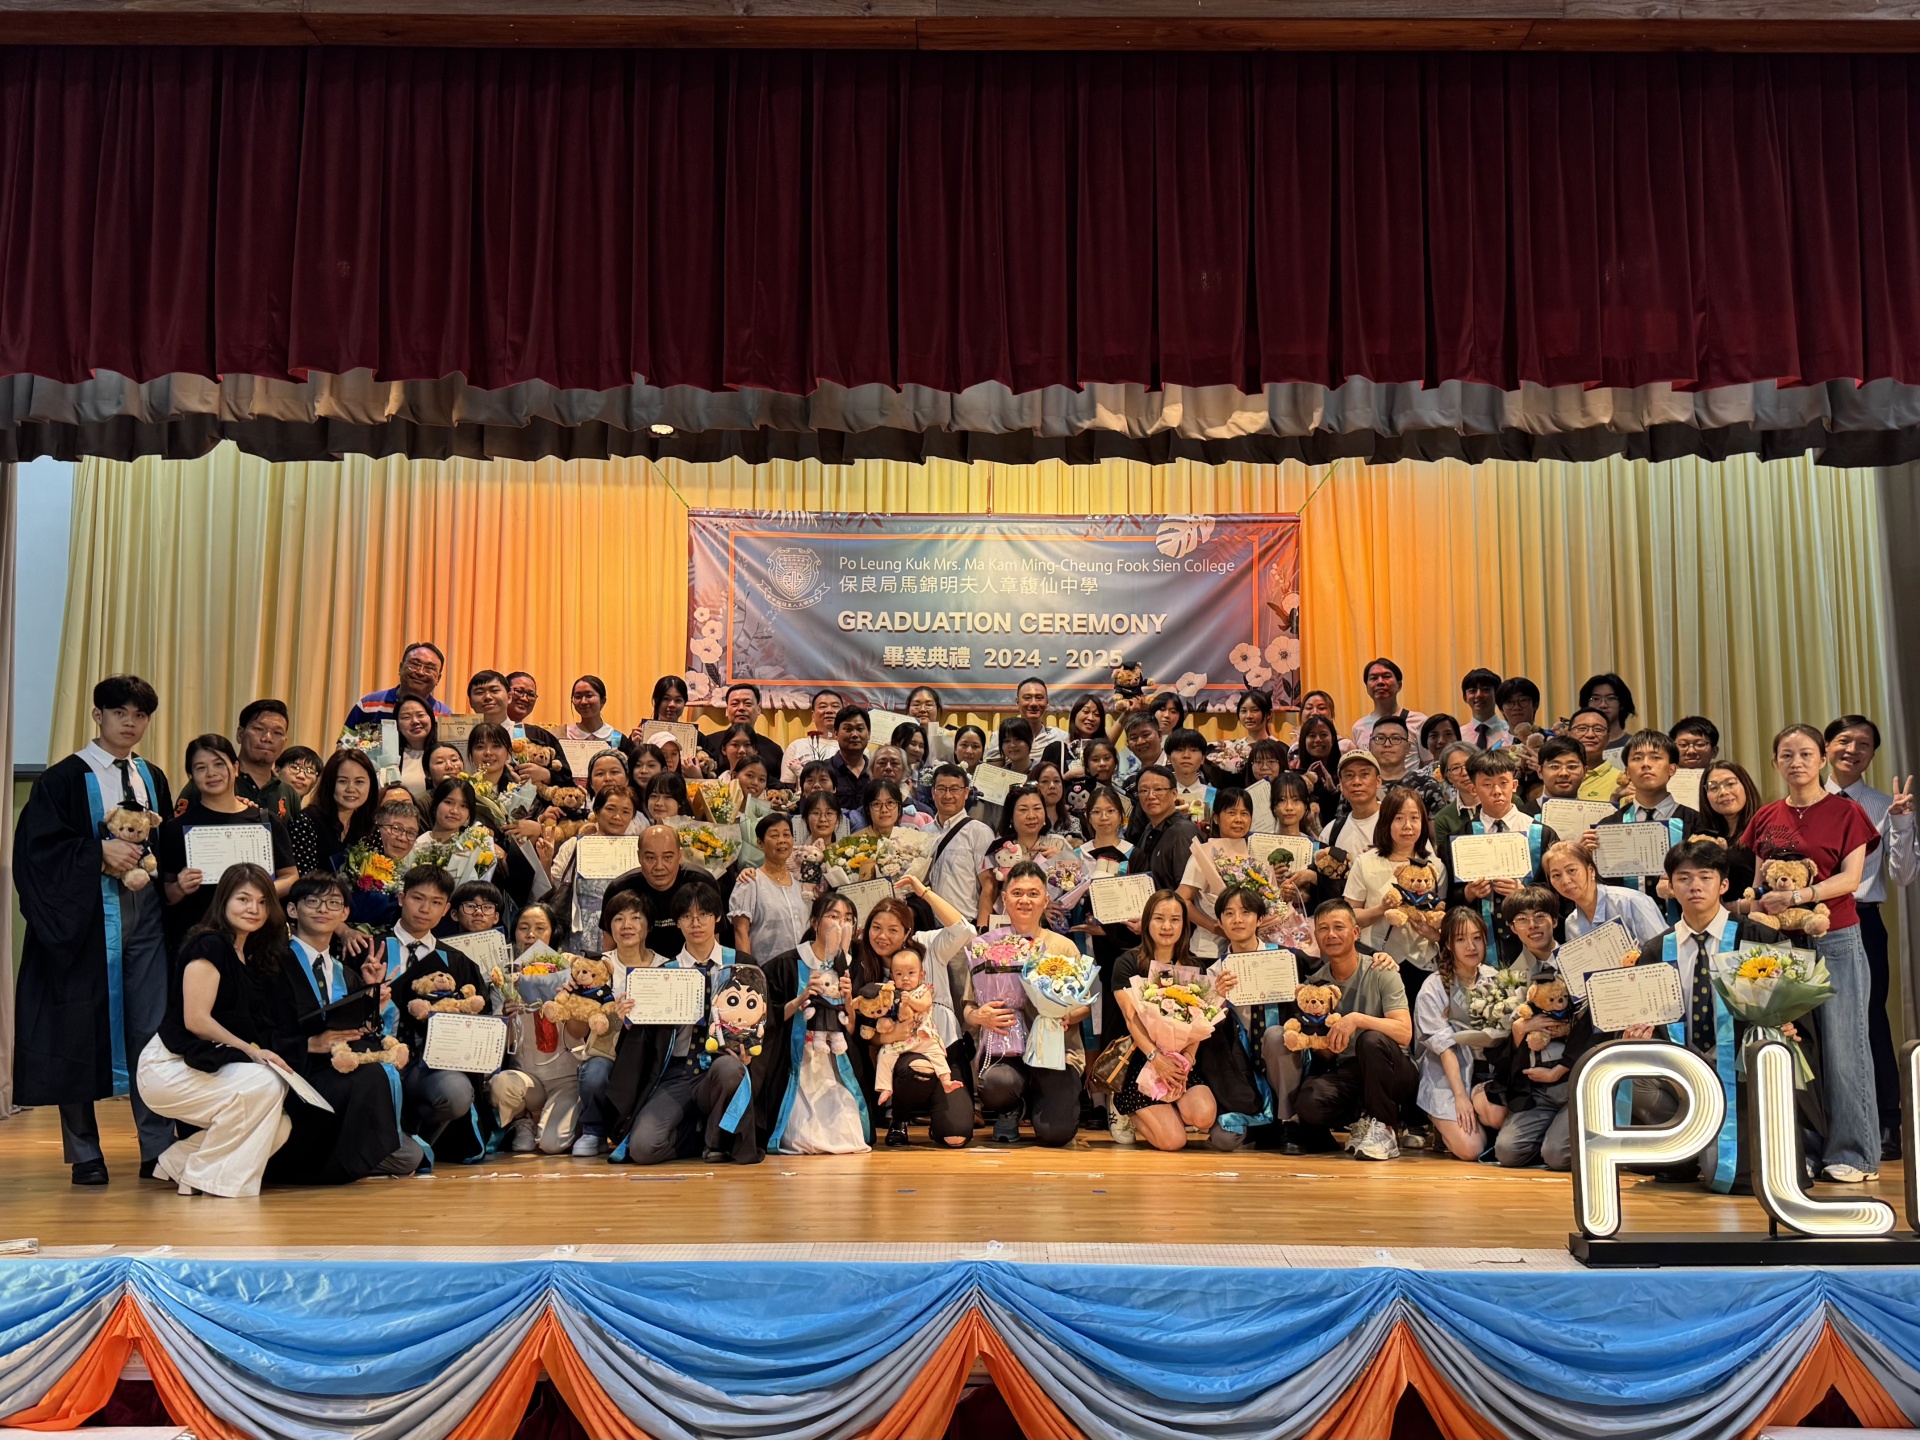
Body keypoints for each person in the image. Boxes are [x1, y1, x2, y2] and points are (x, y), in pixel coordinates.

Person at [15, 675, 178, 1184]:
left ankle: (157, 1149)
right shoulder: (63, 779)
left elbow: (166, 843)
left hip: (146, 917)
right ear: (97, 716)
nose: (130, 723)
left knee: (152, 1031)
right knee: (76, 1030)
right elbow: (35, 853)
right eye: (119, 712)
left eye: (140, 715)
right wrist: (96, 852)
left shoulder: (152, 776)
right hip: (82, 923)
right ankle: (85, 1153)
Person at [1616, 838, 1803, 1193]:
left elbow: (1790, 1006)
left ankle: (1716, 1146)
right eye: (1684, 878)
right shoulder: (1656, 949)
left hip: (1738, 1071)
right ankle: (1680, 1154)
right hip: (1683, 1071)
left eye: (1705, 877)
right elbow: (1646, 1015)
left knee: (1726, 1177)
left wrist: (1787, 1023)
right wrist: (1636, 1033)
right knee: (1628, 1074)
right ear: (1671, 887)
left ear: (1724, 884)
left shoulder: (1757, 938)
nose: (1695, 886)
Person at [1742, 724, 1881, 1184]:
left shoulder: (1846, 811)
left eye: (1805, 754)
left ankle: (1855, 1153)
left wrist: (1800, 897)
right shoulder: (1766, 815)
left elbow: (1851, 879)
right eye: (1786, 755)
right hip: (1779, 946)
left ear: (1822, 759)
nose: (1796, 762)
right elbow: (1759, 884)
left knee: (1844, 1048)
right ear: (1775, 762)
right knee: (1793, 1047)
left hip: (1834, 938)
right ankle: (1802, 1149)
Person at [133, 865, 295, 1197]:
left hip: (198, 1066)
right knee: (267, 1082)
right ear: (223, 901)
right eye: (243, 899)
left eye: (262, 902)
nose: (253, 909)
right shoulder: (209, 945)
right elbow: (196, 1020)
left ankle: (178, 1163)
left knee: (280, 1125)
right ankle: (209, 1181)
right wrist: (251, 1051)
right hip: (168, 1066)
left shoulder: (247, 955)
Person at [254, 872, 422, 1182]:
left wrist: (372, 999)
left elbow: (362, 1034)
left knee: (410, 1156)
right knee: (376, 1087)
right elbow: (255, 1031)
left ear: (345, 913)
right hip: (296, 1078)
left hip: (340, 1078)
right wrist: (309, 1044)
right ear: (292, 910)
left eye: (333, 903)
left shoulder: (347, 973)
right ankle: (304, 1165)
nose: (323, 909)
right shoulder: (270, 964)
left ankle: (340, 1155)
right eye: (312, 901)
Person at [604, 881, 763, 1166]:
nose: (695, 923)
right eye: (687, 916)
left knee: (730, 1069)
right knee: (643, 1149)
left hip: (718, 1067)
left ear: (717, 918)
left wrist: (748, 1053)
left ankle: (717, 1141)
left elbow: (759, 1022)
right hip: (676, 1073)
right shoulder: (663, 973)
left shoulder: (741, 965)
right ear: (677, 922)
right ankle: (698, 1135)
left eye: (703, 914)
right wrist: (631, 1021)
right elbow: (647, 1039)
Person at [1823, 715, 1917, 1157]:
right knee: (1816, 1021)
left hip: (1862, 920)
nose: (1852, 750)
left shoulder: (1883, 805)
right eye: (1844, 740)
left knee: (1868, 1018)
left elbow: (1904, 875)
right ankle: (1825, 1119)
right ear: (1826, 747)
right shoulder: (1803, 801)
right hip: (1809, 920)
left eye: (1864, 744)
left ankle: (1886, 1121)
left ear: (1873, 755)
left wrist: (1901, 823)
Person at [1272, 899, 1416, 1161]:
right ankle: (1362, 1121)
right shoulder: (1316, 984)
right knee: (1309, 1102)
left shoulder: (1381, 969)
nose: (1331, 935)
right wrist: (1320, 1042)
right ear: (1316, 936)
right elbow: (1326, 1053)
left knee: (1371, 1040)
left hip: (1393, 1069)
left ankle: (1385, 1130)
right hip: (1349, 1069)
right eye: (1323, 929)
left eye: (1339, 927)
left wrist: (1357, 1019)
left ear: (1356, 932)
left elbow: (1404, 1032)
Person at [964, 862, 1090, 1145]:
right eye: (1017, 893)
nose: (1025, 900)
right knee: (996, 1084)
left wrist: (1066, 1016)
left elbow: (1085, 1007)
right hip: (1006, 1050)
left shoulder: (1063, 947)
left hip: (1057, 1052)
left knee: (1056, 1134)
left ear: (1046, 900)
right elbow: (969, 1007)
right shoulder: (987, 947)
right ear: (1004, 899)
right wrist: (980, 1017)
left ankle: (1040, 1104)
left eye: (1033, 894)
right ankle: (1012, 1107)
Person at [850, 880, 979, 1147]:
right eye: (876, 927)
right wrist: (890, 1036)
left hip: (944, 1045)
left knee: (955, 1135)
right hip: (904, 1054)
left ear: (907, 932)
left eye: (893, 930)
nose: (882, 936)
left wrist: (923, 891)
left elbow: (965, 930)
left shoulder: (927, 946)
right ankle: (900, 1117)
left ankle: (937, 1112)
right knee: (913, 1069)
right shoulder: (865, 968)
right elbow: (867, 1033)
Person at [153, 734, 298, 954]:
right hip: (201, 941)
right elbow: (166, 893)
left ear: (236, 767)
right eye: (201, 768)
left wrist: (257, 893)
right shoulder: (177, 828)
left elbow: (290, 877)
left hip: (258, 940)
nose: (211, 773)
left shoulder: (265, 821)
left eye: (219, 764)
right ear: (191, 776)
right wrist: (180, 887)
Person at [1107, 890, 1228, 1151]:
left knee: (1204, 1117)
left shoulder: (1194, 966)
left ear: (1184, 925)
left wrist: (1188, 1060)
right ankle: (1123, 1108)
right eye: (1159, 918)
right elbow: (1131, 1019)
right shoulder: (1127, 963)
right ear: (1147, 921)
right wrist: (1156, 1059)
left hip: (1180, 1059)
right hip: (1140, 1058)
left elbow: (1200, 1021)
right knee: (1173, 1142)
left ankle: (1169, 1106)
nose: (1166, 926)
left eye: (1175, 919)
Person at [388, 865, 494, 1159]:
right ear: (401, 898)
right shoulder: (370, 948)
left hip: (430, 1065)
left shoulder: (456, 961)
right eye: (417, 898)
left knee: (455, 1093)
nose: (425, 909)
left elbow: (479, 1019)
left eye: (436, 902)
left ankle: (418, 1141)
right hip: (381, 1057)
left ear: (447, 909)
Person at [1488, 891, 1596, 1173]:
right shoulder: (1508, 977)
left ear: (1555, 920)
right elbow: (1497, 1048)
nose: (1532, 925)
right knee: (1508, 1152)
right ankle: (1556, 1134)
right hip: (1537, 1089)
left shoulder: (1579, 963)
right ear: (1512, 928)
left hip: (1576, 1079)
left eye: (1540, 916)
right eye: (1522, 920)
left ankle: (1573, 1134)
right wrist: (1520, 1030)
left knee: (1557, 1156)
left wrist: (1562, 1068)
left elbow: (1596, 1026)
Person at [756, 893, 868, 1155]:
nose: (840, 924)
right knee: (802, 1137)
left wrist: (848, 1000)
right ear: (815, 922)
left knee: (849, 1135)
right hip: (796, 1060)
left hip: (837, 1059)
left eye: (847, 919)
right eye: (833, 916)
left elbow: (853, 1029)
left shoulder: (853, 967)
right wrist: (801, 999)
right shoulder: (785, 964)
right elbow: (768, 1017)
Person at [1436, 748, 1558, 963]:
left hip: (1533, 936)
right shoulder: (1460, 839)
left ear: (1515, 785)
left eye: (1503, 783)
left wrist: (1524, 892)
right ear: (1473, 788)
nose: (1497, 791)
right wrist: (1468, 893)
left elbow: (1559, 892)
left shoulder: (1541, 834)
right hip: (1481, 941)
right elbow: (1448, 897)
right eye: (1487, 784)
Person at [1415, 907, 1505, 1162]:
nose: (1471, 946)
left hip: (1486, 1072)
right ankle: (1442, 1126)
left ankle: (1482, 1118)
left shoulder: (1495, 979)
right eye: (1461, 939)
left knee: (1496, 1116)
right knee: (1470, 1149)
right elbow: (1446, 1050)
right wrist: (1460, 1097)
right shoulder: (1432, 988)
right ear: (1448, 944)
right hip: (1448, 1076)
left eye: (1477, 938)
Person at [1590, 728, 1707, 914]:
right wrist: (1586, 857)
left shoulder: (1697, 823)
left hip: (1686, 922)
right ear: (1627, 772)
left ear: (1672, 769)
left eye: (1655, 757)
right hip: (1627, 923)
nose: (1645, 764)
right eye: (1637, 758)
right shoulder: (1608, 827)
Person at [569, 890, 648, 1156]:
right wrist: (574, 1002)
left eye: (636, 918)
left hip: (647, 1052)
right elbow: (576, 1031)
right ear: (608, 927)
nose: (627, 925)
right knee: (594, 1072)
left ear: (648, 924)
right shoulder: (593, 967)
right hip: (605, 1051)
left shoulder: (665, 965)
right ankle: (594, 1131)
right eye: (618, 919)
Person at [1345, 788, 1447, 993]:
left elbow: (1441, 914)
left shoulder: (1435, 866)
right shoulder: (1365, 862)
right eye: (1399, 818)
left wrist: (1433, 933)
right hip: (1378, 961)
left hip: (1424, 963)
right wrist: (1381, 909)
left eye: (1414, 818)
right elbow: (1349, 918)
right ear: (1386, 822)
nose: (1407, 826)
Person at [598, 823, 712, 958]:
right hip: (638, 966)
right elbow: (609, 949)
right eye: (650, 858)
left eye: (667, 857)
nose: (659, 866)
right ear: (639, 857)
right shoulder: (619, 889)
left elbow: (713, 941)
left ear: (680, 855)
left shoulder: (702, 883)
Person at [178, 699, 299, 824]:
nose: (267, 738)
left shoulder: (288, 793)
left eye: (277, 732)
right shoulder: (212, 783)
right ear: (240, 734)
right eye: (259, 729)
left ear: (285, 742)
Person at [1544, 840, 1666, 946]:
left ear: (1591, 871)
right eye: (1556, 875)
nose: (1565, 881)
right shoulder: (1571, 923)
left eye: (1571, 870)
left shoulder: (1630, 902)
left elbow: (1662, 951)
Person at [978, 785, 1067, 929]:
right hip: (1008, 927)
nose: (1031, 816)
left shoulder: (1059, 844)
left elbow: (1076, 887)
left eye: (1037, 808)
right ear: (1011, 816)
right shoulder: (999, 849)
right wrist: (981, 929)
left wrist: (1062, 861)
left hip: (1052, 928)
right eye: (1023, 810)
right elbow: (988, 892)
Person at [728, 812, 810, 959]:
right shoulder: (750, 882)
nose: (782, 840)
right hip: (766, 967)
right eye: (774, 835)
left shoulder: (799, 883)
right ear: (760, 843)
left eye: (786, 835)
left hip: (802, 968)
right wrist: (747, 968)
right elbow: (741, 932)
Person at [469, 671, 571, 788]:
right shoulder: (461, 737)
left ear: (509, 697)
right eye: (479, 692)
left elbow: (568, 781)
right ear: (470, 701)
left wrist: (547, 775)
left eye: (495, 691)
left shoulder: (538, 736)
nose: (487, 697)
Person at [923, 764, 996, 921]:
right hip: (929, 925)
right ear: (933, 793)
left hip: (965, 924)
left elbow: (989, 885)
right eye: (941, 789)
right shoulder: (924, 832)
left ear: (966, 792)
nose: (948, 795)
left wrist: (982, 927)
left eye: (954, 789)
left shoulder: (979, 832)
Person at [302, 748, 382, 874]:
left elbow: (378, 875)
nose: (351, 789)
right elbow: (303, 878)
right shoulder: (307, 821)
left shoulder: (370, 827)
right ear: (329, 783)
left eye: (359, 782)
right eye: (342, 781)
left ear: (371, 786)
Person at [1129, 766, 1200, 892]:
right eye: (1144, 790)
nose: (1151, 796)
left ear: (1174, 794)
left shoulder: (1182, 831)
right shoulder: (1149, 828)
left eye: (1158, 789)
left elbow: (1189, 891)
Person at [346, 642, 450, 727]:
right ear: (400, 668)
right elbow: (345, 744)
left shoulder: (445, 717)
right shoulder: (368, 705)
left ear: (438, 678)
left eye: (430, 668)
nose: (420, 672)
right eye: (415, 664)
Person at [1701, 761, 1763, 902]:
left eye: (1730, 784)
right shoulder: (1707, 836)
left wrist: (1727, 907)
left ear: (1745, 785)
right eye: (1714, 787)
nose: (1723, 792)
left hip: (1755, 915)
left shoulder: (1764, 828)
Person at [1367, 715, 1448, 817]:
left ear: (1408, 747)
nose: (1387, 744)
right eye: (1380, 738)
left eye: (1395, 738)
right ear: (1370, 746)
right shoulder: (1360, 785)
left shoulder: (1426, 785)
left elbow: (1438, 826)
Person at [700, 682, 785, 778]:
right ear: (727, 710)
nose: (741, 708)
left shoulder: (774, 751)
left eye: (748, 704)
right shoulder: (709, 744)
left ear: (758, 709)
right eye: (735, 704)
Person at [1351, 657, 1428, 759]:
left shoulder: (1419, 722)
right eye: (1374, 678)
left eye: (1386, 676)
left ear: (1399, 685)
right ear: (1367, 688)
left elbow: (1429, 764)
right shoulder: (1358, 728)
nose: (1380, 682)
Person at [1320, 751, 1384, 856]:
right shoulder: (1331, 831)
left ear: (1378, 781)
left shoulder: (1395, 822)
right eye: (1349, 775)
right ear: (1341, 784)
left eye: (1364, 774)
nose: (1357, 782)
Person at [780, 689, 845, 784]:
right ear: (813, 715)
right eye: (823, 706)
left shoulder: (852, 748)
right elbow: (787, 787)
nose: (829, 711)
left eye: (835, 706)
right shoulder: (796, 746)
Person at [387, 695, 439, 805]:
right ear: (397, 725)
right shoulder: (389, 757)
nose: (415, 721)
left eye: (420, 715)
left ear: (431, 718)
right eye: (406, 717)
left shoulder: (444, 752)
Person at [1288, 715, 1342, 823]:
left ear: (1333, 739)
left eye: (1324, 735)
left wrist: (1333, 792)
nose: (1318, 740)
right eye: (1312, 735)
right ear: (1303, 740)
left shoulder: (1343, 773)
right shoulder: (1294, 777)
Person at [1566, 708, 1627, 801]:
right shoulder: (1556, 774)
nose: (1590, 735)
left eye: (1598, 729)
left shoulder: (1620, 782)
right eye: (1582, 729)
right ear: (1568, 735)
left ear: (1608, 738)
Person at [1578, 673, 1637, 761]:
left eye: (1611, 698)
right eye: (1595, 699)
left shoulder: (1634, 745)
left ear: (1622, 704)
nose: (1603, 705)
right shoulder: (1577, 746)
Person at [1163, 729, 1214, 829]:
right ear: (1169, 758)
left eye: (1193, 750)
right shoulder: (1161, 794)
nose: (1186, 755)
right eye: (1179, 750)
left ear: (1203, 759)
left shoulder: (1212, 795)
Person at [564, 675, 624, 749]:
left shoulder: (616, 738)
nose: (583, 702)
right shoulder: (564, 736)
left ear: (603, 701)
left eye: (589, 696)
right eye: (578, 697)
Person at [1459, 668, 1510, 751]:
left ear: (1497, 694)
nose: (1479, 695)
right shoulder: (1459, 736)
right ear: (1465, 697)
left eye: (1485, 690)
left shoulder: (1509, 732)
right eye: (1472, 691)